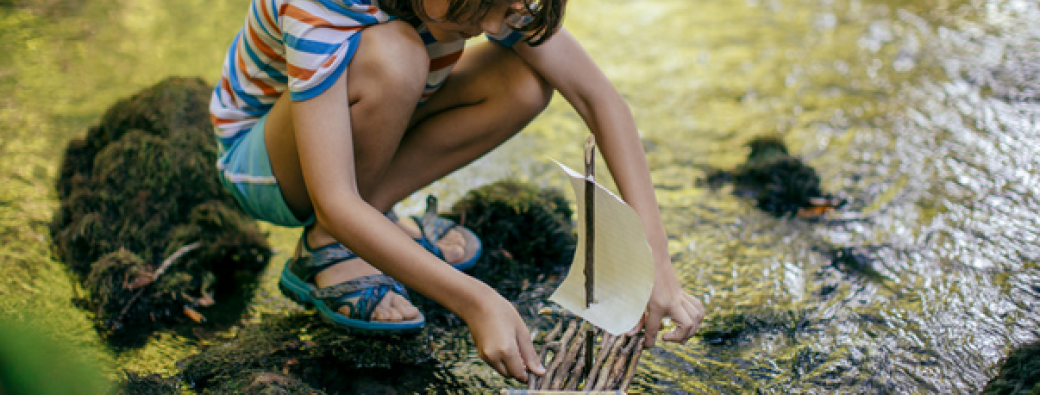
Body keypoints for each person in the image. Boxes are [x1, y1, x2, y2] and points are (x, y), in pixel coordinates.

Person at [209, 0, 705, 382]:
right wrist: (475, 301)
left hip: (360, 129)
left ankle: (376, 217)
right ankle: (325, 248)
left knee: (522, 82)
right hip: (268, 167)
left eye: (507, 9)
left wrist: (655, 263)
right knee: (396, 54)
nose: (492, 27)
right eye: (483, 6)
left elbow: (600, 100)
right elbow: (333, 200)